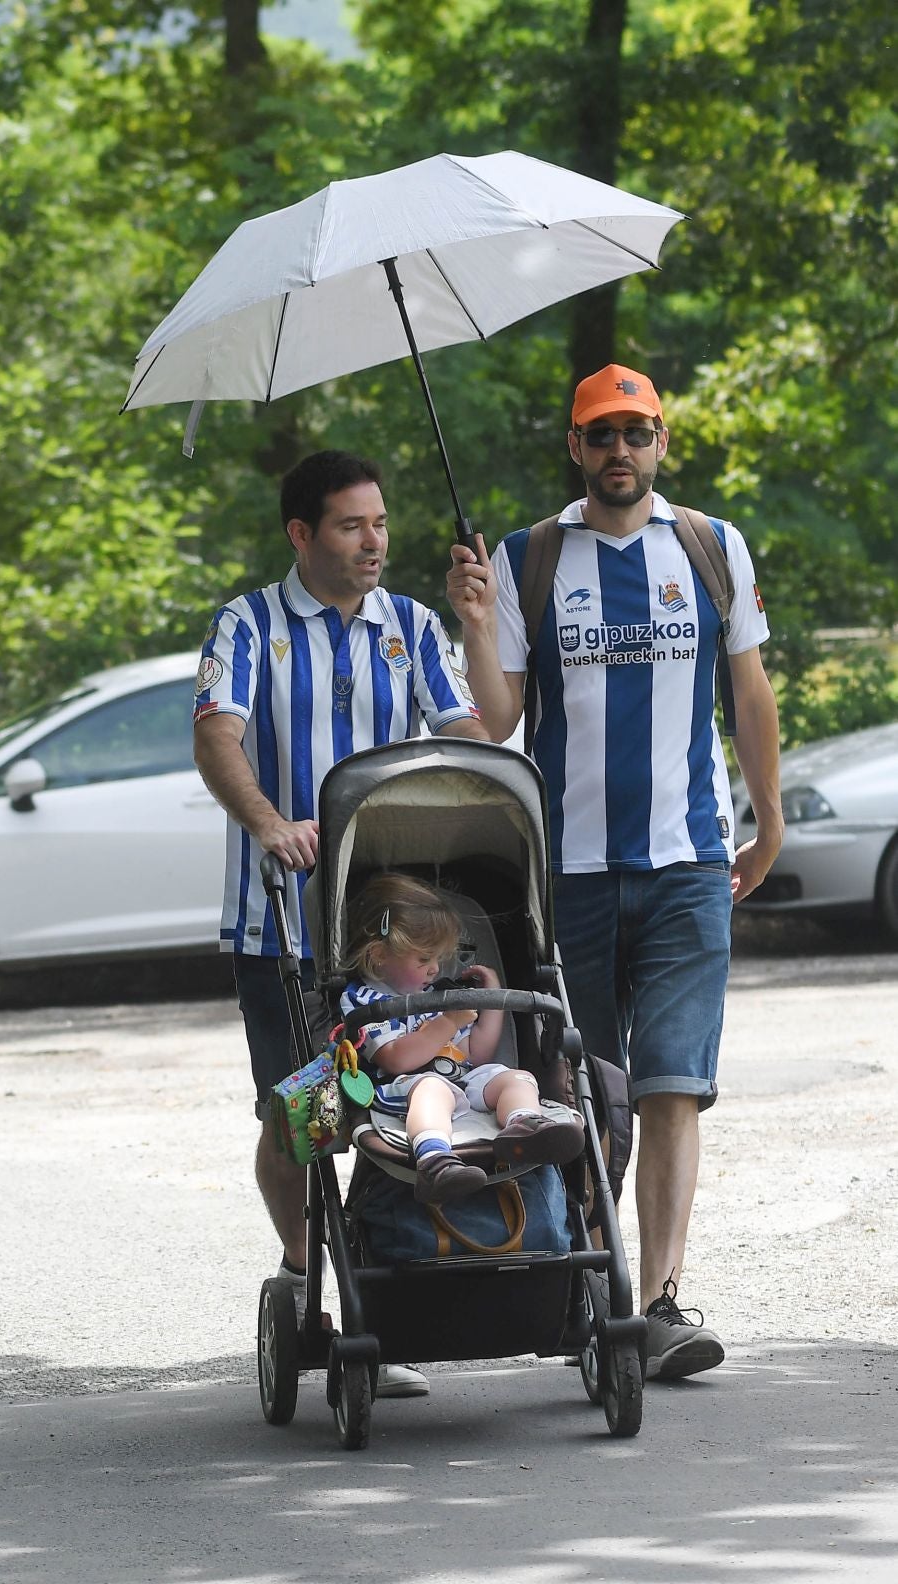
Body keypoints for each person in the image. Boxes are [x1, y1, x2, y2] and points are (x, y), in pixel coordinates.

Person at [446, 364, 783, 1381]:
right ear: (576, 448)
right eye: (602, 435)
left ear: (662, 442)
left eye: (637, 433)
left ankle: (664, 1300)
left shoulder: (711, 547)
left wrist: (766, 823)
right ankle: (595, 1290)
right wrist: (473, 621)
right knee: (587, 1088)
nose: (620, 451)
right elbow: (499, 721)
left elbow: (751, 691)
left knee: (676, 1083)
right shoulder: (528, 558)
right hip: (570, 874)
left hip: (688, 864)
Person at [194, 448, 490, 1400]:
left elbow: (473, 737)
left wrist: (478, 625)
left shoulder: (409, 625)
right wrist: (271, 824)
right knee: (304, 1119)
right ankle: (301, 1274)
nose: (375, 541)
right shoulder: (247, 624)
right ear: (302, 534)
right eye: (353, 525)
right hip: (281, 932)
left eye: (382, 523)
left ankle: (376, 1302)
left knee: (391, 1106)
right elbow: (216, 735)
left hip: (396, 934)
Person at [339, 872, 584, 1202]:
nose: (435, 969)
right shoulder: (366, 1000)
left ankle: (524, 1125)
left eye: (438, 959)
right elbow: (396, 1057)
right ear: (379, 955)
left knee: (516, 1077)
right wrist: (448, 1022)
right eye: (424, 959)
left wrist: (492, 999)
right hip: (404, 1087)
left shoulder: (435, 995)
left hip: (462, 1079)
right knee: (432, 1088)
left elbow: (477, 1054)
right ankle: (435, 1160)